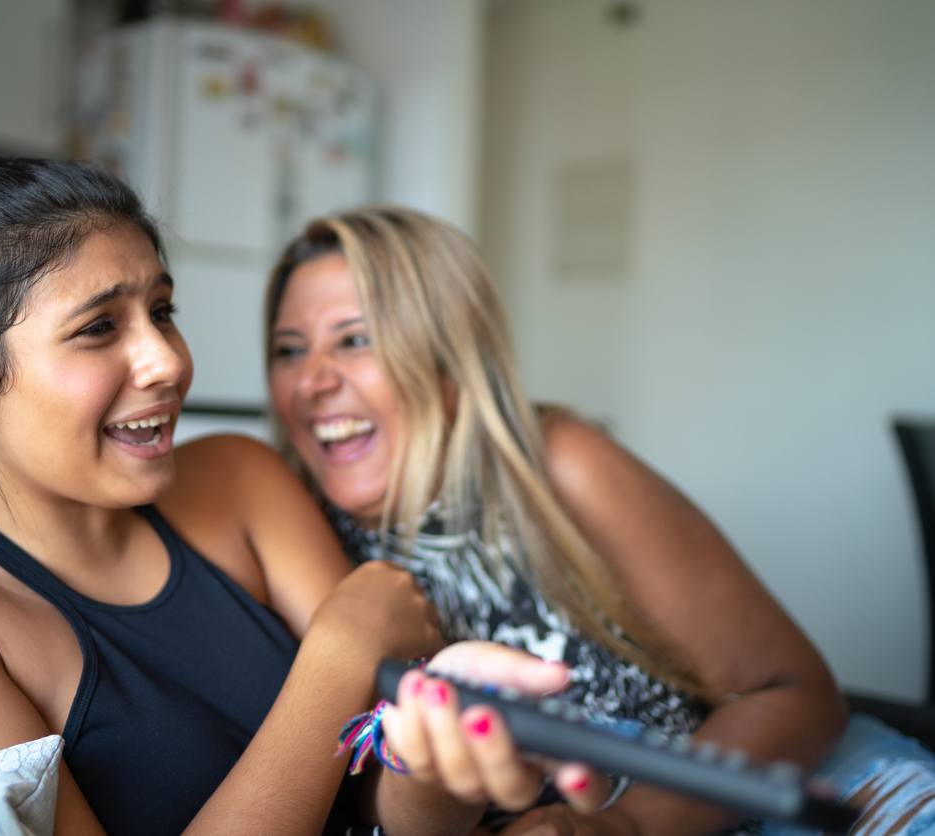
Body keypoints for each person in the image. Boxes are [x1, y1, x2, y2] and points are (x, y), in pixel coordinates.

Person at [0, 128, 448, 835]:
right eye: (97, 328)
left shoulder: (240, 479)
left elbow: (385, 789)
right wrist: (340, 655)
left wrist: (471, 794)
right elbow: (353, 667)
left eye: (161, 312)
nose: (166, 363)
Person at [265, 205, 935, 834]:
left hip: (811, 791)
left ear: (447, 360)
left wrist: (620, 826)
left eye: (354, 340)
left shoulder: (556, 466)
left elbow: (793, 695)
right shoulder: (296, 531)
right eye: (289, 350)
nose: (312, 381)